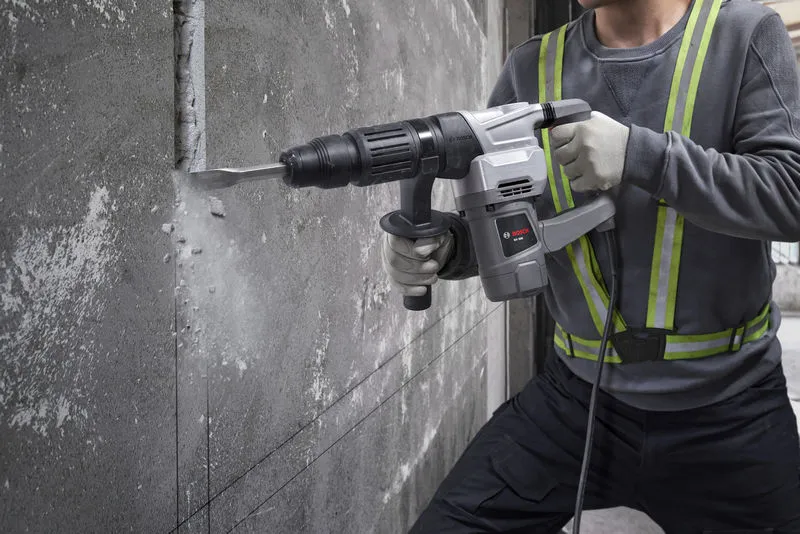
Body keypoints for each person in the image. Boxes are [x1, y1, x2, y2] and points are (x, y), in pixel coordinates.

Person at [381, 0, 800, 532]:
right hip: (575, 401)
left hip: (731, 411)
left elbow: (792, 193)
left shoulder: (744, 33)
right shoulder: (531, 67)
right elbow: (508, 220)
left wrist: (642, 156)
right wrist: (449, 249)